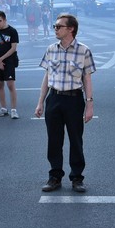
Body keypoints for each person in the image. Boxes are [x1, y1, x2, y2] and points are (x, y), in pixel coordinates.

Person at [34, 14, 95, 193]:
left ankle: (77, 177)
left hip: (74, 99)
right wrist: (41, 102)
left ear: (71, 29)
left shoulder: (84, 50)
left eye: (59, 26)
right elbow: (47, 76)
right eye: (55, 26)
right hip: (54, 98)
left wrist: (89, 104)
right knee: (54, 140)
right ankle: (55, 176)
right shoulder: (51, 49)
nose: (55, 29)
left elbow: (87, 78)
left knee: (76, 139)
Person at [0, 10, 20, 118]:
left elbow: (13, 48)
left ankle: (14, 110)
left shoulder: (12, 31)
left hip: (9, 61)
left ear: (5, 19)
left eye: (0, 21)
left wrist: (1, 59)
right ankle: (3, 108)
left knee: (10, 84)